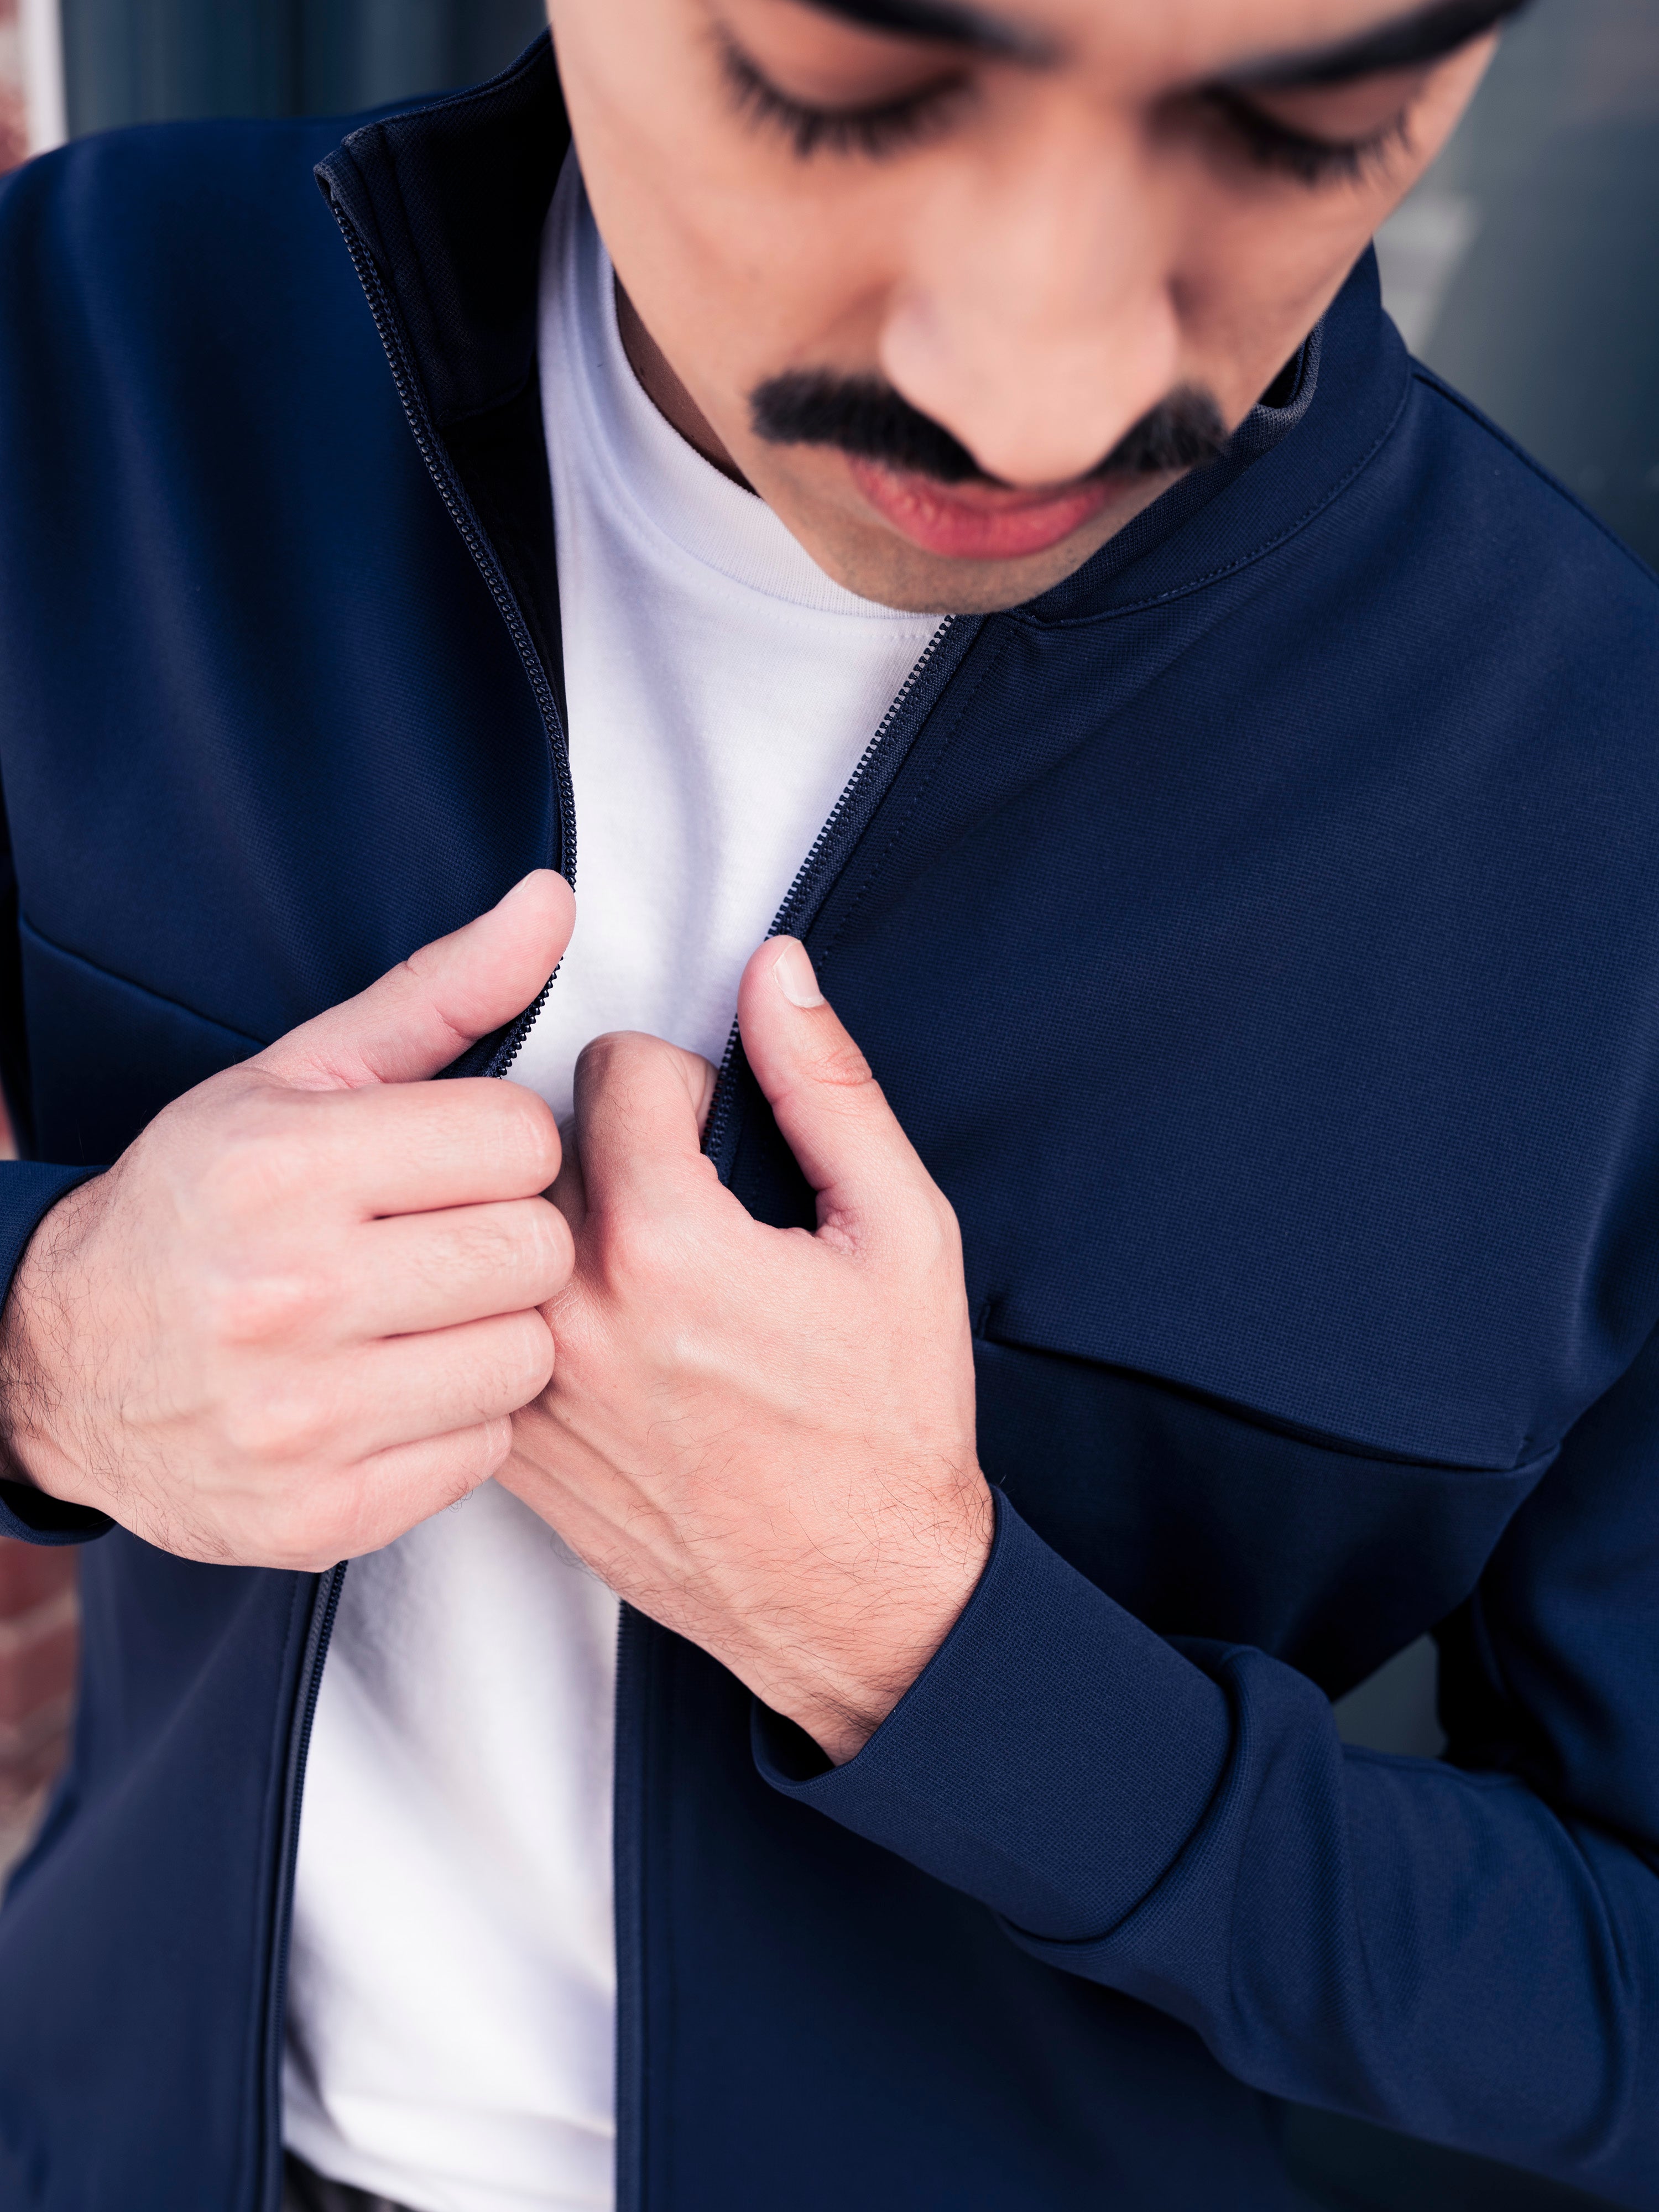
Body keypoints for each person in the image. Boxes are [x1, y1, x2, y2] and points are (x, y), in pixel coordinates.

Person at [0, 1, 1655, 2207]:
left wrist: (940, 1656)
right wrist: (47, 1348)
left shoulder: (1605, 825)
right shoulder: (89, 340)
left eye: (1304, 125)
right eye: (842, 92)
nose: (1035, 382)